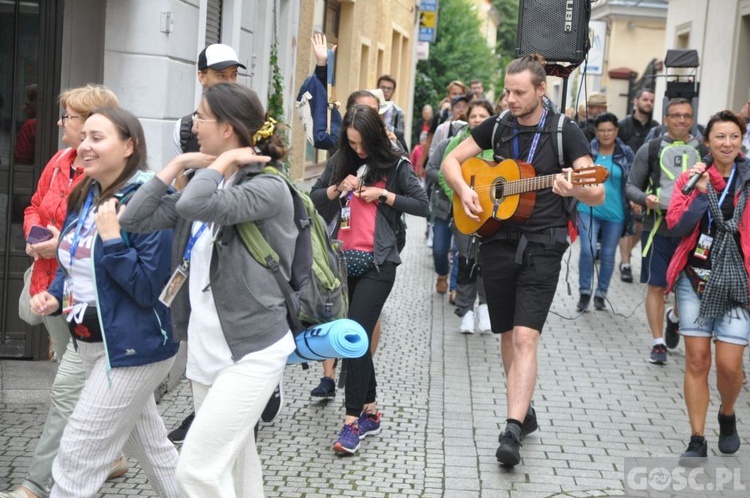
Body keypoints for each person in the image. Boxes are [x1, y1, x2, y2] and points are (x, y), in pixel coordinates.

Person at [120, 83, 295, 497]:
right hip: (206, 347)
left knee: (196, 472)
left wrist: (223, 164)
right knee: (236, 464)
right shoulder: (207, 181)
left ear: (229, 129)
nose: (193, 124)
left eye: (201, 116)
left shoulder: (267, 188)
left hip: (252, 349)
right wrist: (179, 163)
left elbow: (193, 206)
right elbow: (133, 218)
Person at [442, 53, 604, 467]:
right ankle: (524, 409)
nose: (509, 99)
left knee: (525, 337)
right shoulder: (497, 125)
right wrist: (464, 190)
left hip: (543, 246)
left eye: (518, 92)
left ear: (540, 90)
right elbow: (450, 161)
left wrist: (576, 190)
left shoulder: (566, 132)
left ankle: (511, 429)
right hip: (496, 241)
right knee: (506, 336)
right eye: (506, 91)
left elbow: (597, 191)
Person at [29, 107, 179, 497]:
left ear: (129, 146)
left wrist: (113, 238)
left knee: (78, 452)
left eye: (98, 138)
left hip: (134, 346)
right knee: (152, 448)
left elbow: (149, 289)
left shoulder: (150, 202)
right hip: (91, 341)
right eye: (85, 137)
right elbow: (73, 257)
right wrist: (55, 293)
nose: (85, 146)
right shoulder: (87, 191)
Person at [1, 85, 124, 498]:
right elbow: (34, 203)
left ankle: (37, 484)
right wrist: (36, 232)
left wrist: (62, 242)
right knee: (79, 378)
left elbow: (108, 238)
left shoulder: (106, 176)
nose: (60, 124)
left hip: (84, 297)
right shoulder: (58, 161)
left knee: (66, 390)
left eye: (68, 116)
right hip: (49, 283)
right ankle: (113, 456)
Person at [310, 104, 428, 454]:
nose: (358, 150)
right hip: (343, 262)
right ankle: (371, 411)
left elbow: (422, 204)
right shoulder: (341, 160)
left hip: (379, 263)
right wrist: (336, 189)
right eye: (352, 143)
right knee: (354, 336)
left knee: (355, 336)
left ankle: (351, 424)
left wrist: (384, 195)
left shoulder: (395, 164)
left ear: (375, 138)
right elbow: (314, 199)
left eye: (363, 144)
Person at [166, 43, 247, 444]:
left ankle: (251, 396)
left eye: (233, 74)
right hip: (196, 226)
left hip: (233, 230)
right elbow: (182, 194)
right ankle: (202, 414)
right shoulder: (186, 126)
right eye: (220, 74)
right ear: (202, 77)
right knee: (195, 312)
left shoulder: (250, 122)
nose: (228, 80)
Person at [663, 110, 749, 465]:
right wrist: (699, 195)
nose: (727, 143)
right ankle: (697, 438)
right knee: (697, 360)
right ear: (707, 142)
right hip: (695, 278)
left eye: (733, 136)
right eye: (720, 137)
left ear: (741, 140)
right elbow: (675, 225)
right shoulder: (693, 176)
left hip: (738, 281)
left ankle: (727, 414)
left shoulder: (748, 178)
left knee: (729, 365)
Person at [626, 98, 709, 364]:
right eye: (676, 116)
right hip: (658, 228)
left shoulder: (707, 152)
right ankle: (658, 342)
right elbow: (631, 186)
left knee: (692, 287)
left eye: (687, 116)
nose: (682, 121)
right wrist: (644, 199)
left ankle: (675, 319)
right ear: (666, 119)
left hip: (694, 232)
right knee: (657, 285)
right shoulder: (650, 149)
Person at [427, 99, 495, 333]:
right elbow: (440, 171)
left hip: (491, 214)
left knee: (487, 261)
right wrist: (459, 193)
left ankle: (485, 307)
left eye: (482, 116)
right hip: (461, 211)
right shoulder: (455, 144)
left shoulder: (500, 144)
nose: (477, 120)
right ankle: (466, 311)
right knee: (466, 260)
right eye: (474, 116)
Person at [576, 112, 635, 311]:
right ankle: (585, 292)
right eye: (602, 130)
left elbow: (634, 179)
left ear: (616, 131)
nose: (606, 134)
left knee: (609, 254)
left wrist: (637, 200)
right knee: (587, 249)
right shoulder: (587, 152)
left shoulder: (625, 153)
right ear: (596, 132)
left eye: (610, 130)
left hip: (615, 213)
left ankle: (601, 293)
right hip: (587, 208)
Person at [616, 89, 659, 284]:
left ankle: (626, 252)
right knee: (627, 222)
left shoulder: (656, 128)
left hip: (646, 182)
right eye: (645, 99)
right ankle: (625, 263)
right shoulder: (623, 125)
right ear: (636, 101)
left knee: (640, 225)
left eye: (651, 100)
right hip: (624, 179)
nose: (648, 103)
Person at [429, 95, 469, 294]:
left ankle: (455, 288)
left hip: (466, 207)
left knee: (462, 251)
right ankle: (442, 274)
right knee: (439, 249)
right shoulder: (446, 145)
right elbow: (431, 169)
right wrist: (452, 183)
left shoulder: (478, 150)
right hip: (444, 206)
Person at [378, 74, 407, 150]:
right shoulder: (371, 106)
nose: (386, 91)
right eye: (383, 87)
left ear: (393, 91)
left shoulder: (398, 112)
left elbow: (400, 136)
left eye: (389, 88)